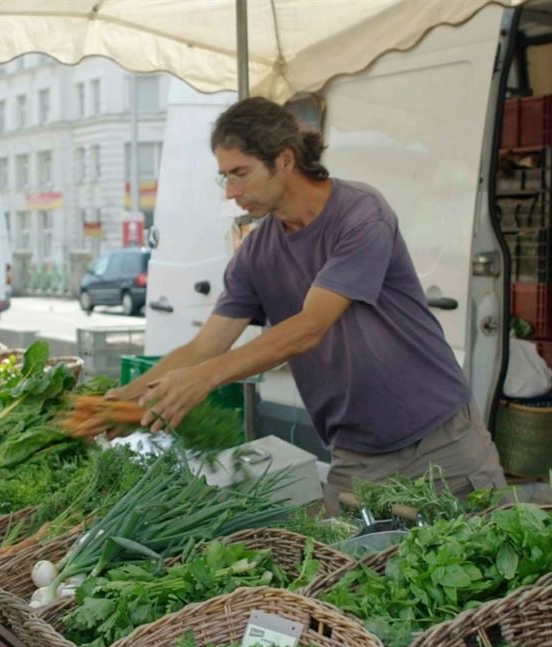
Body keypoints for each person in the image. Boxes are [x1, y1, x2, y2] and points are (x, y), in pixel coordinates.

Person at [110, 97, 506, 512]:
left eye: (241, 173)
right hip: (357, 457)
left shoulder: (360, 214)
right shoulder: (256, 253)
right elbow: (204, 347)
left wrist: (203, 380)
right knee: (353, 571)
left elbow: (311, 325)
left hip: (442, 442)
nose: (231, 192)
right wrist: (123, 400)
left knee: (496, 563)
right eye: (224, 177)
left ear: (284, 160)